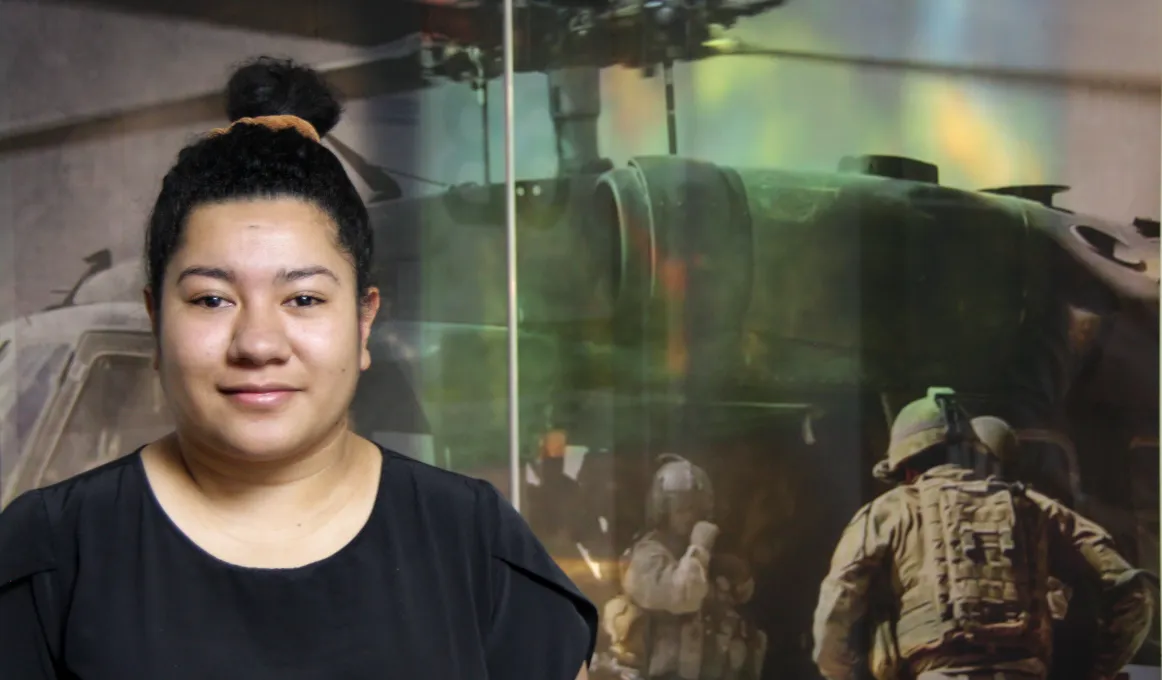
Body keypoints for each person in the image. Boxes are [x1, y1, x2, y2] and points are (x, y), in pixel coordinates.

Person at [0, 56, 597, 679]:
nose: (258, 343)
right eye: (212, 299)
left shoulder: (472, 540)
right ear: (156, 321)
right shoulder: (49, 551)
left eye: (304, 299)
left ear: (364, 322)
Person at [812, 388, 1154, 680]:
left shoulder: (886, 512)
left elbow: (837, 606)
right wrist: (1096, 670)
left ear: (908, 469)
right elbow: (1132, 591)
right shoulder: (1035, 508)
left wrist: (842, 674)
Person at [601, 454, 765, 680]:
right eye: (682, 509)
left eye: (697, 509)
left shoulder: (703, 555)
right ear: (664, 510)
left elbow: (740, 599)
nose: (691, 517)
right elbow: (683, 597)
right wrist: (699, 549)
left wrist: (739, 574)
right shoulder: (647, 556)